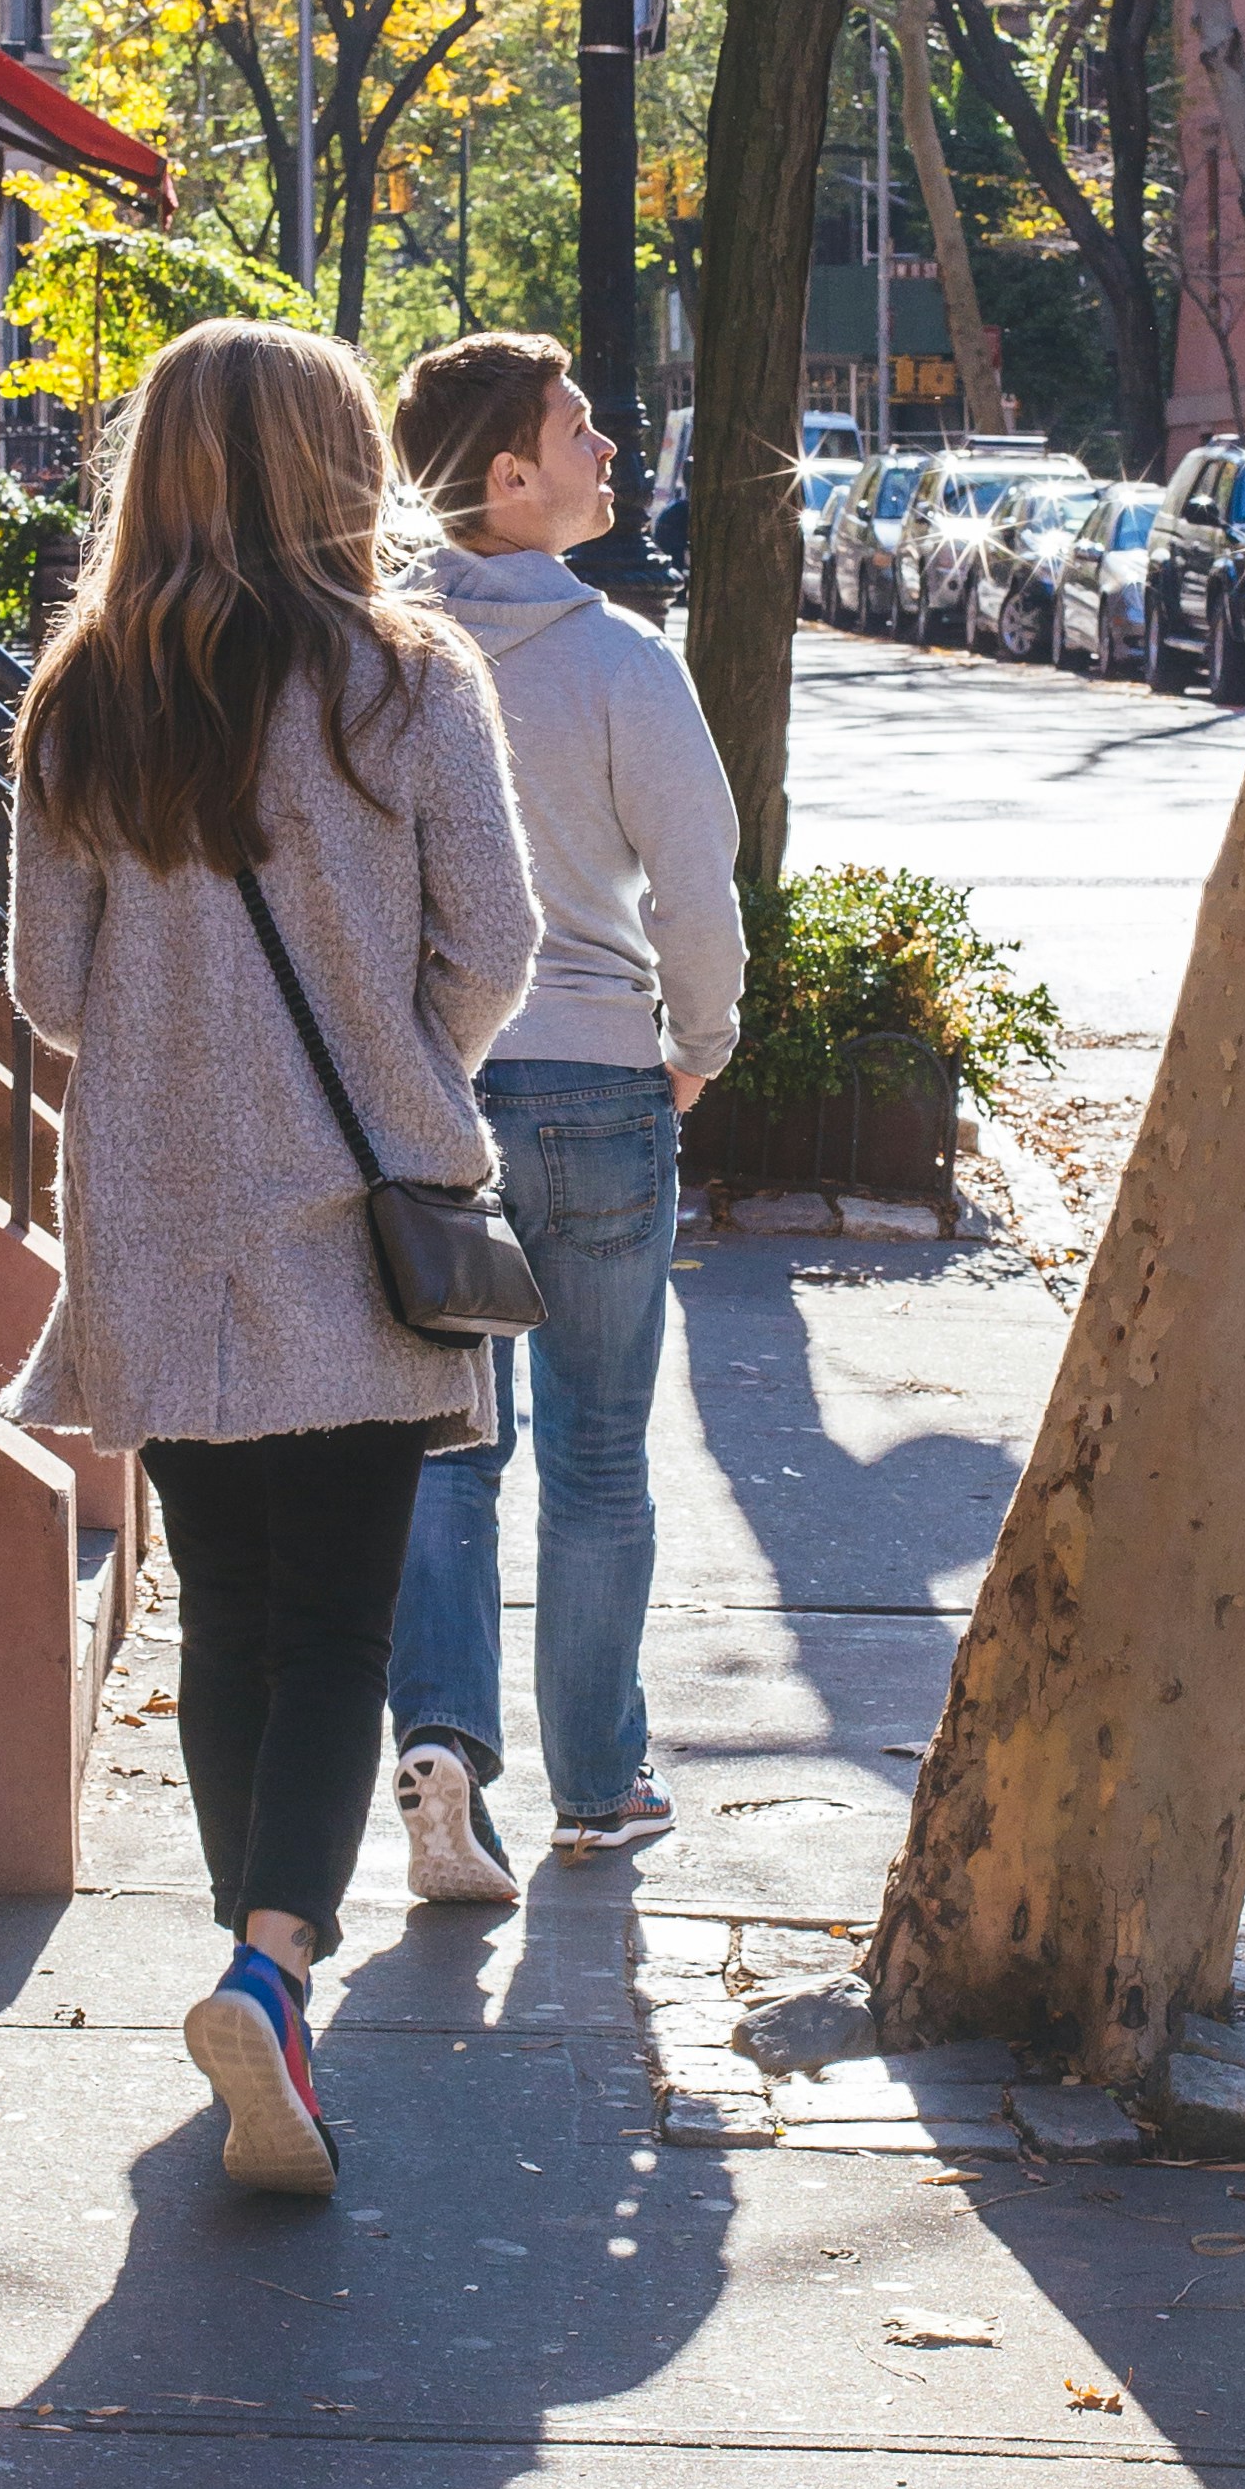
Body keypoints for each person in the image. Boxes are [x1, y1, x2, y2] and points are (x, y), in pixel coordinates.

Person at [7, 322, 541, 2196]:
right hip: (353, 1200)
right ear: (338, 464)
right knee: (340, 1621)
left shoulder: (84, 693)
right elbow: (495, 935)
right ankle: (274, 1963)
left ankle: (254, 1960)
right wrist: (400, 1059)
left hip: (152, 1210)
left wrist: (180, 1032)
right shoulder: (405, 677)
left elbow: (43, 989)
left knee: (228, 1611)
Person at [380, 333, 746, 1886]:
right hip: (601, 1081)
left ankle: (441, 1751)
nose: (609, 448)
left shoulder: (376, 659)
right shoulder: (619, 661)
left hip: (432, 1086)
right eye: (578, 427)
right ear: (508, 475)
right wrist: (700, 1045)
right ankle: (598, 1783)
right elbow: (698, 890)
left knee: (447, 1449)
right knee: (599, 1458)